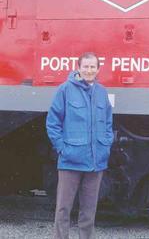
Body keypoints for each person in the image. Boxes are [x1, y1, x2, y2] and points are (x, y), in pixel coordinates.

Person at [46, 52, 113, 239]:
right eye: (86, 67)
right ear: (79, 68)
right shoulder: (65, 90)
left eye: (93, 67)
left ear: (98, 69)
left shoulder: (101, 92)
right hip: (70, 160)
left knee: (89, 211)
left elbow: (108, 122)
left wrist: (106, 145)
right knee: (63, 209)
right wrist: (62, 149)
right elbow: (52, 123)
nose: (89, 70)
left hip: (96, 161)